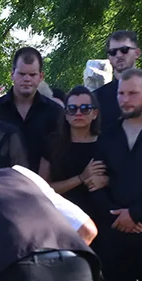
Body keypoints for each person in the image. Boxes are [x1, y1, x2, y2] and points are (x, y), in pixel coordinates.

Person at [90, 68, 142, 281]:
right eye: (120, 93)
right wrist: (118, 215)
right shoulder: (107, 136)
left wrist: (135, 214)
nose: (125, 99)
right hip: (116, 233)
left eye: (132, 93)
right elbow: (97, 183)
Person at [39, 86, 105, 220]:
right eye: (72, 109)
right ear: (66, 114)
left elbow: (122, 180)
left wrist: (107, 180)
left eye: (85, 108)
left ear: (95, 113)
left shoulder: (107, 143)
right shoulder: (52, 143)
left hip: (100, 217)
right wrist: (81, 177)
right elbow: (43, 189)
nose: (78, 113)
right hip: (61, 219)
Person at [0, 47, 64, 171]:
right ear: (12, 74)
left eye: (32, 74)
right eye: (21, 74)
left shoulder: (55, 112)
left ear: (41, 76)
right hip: (3, 184)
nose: (27, 79)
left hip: (42, 185)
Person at [94, 31, 142, 127]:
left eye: (124, 50)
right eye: (113, 52)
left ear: (137, 53)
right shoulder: (96, 98)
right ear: (109, 58)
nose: (119, 55)